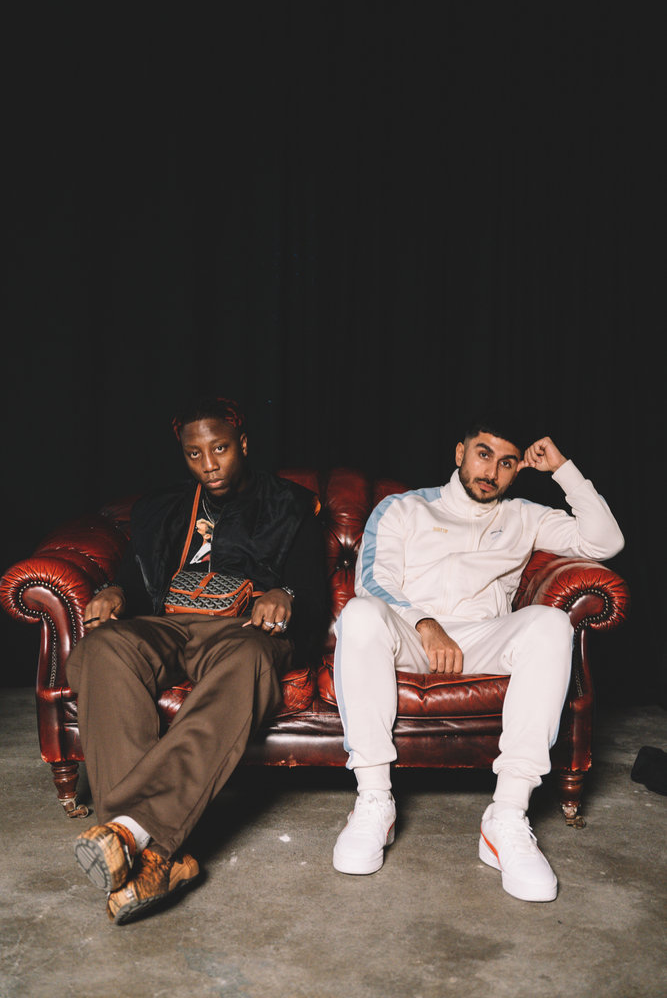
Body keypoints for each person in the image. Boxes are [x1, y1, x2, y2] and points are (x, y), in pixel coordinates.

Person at [331, 418, 624, 902]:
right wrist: (427, 625)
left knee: (552, 624)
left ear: (517, 470)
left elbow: (606, 543)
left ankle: (506, 815)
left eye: (507, 462)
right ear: (460, 453)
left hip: (482, 639)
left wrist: (563, 470)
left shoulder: (525, 515)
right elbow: (373, 581)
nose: (492, 471)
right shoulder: (403, 507)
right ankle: (374, 801)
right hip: (411, 635)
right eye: (483, 454)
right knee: (359, 614)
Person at [66, 395, 326, 924]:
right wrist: (116, 590)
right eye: (194, 454)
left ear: (242, 445)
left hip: (243, 629)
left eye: (220, 449)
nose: (209, 464)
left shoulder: (289, 504)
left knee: (247, 661)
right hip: (168, 623)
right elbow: (139, 580)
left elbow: (313, 595)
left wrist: (287, 595)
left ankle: (134, 838)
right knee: (101, 648)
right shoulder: (161, 508)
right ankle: (161, 854)